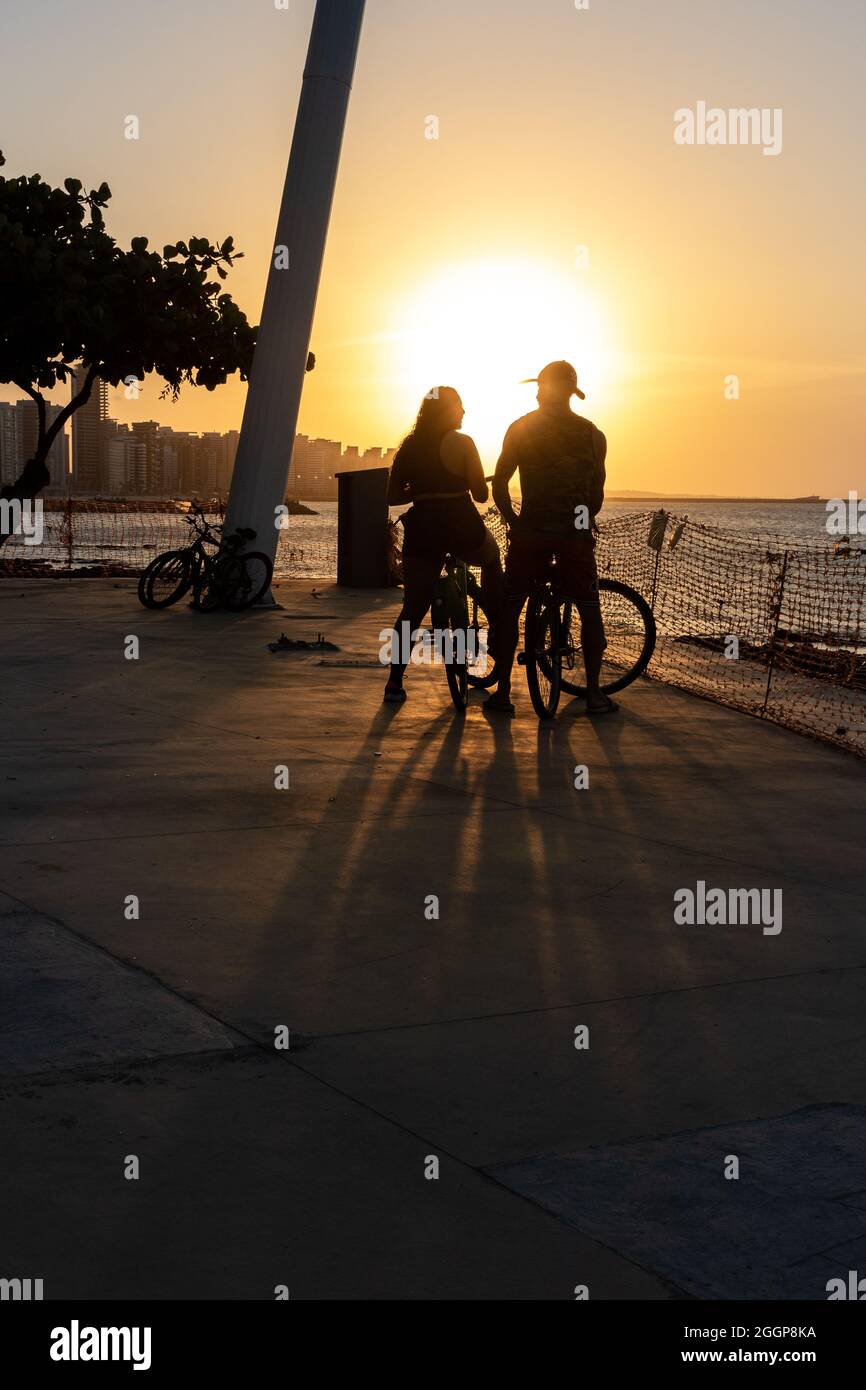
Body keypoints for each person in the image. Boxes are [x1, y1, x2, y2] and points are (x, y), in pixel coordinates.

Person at [486, 360, 613, 716]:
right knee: (589, 609)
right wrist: (581, 522)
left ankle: (503, 692)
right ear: (572, 393)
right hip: (575, 535)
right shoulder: (593, 435)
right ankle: (593, 694)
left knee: (511, 607)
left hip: (531, 533)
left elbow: (499, 483)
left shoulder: (521, 428)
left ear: (542, 389)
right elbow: (596, 496)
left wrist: (515, 520)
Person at [383, 387, 502, 703]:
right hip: (461, 526)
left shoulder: (409, 448)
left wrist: (422, 491)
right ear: (449, 411)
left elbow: (393, 497)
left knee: (412, 608)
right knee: (492, 558)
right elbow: (480, 494)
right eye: (460, 407)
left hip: (423, 529)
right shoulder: (463, 443)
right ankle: (498, 614)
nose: (464, 413)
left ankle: (394, 682)